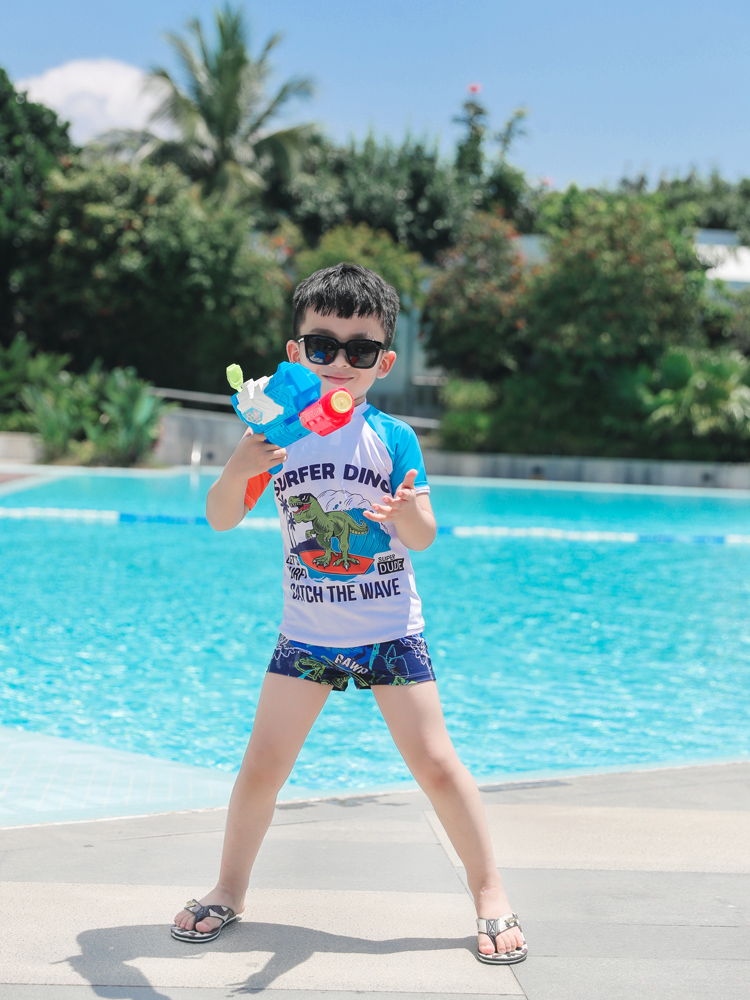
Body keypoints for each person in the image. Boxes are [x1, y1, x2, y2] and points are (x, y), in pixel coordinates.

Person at [171, 262, 527, 965]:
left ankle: (489, 890)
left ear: (383, 363)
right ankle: (229, 888)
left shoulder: (392, 438)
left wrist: (406, 512)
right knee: (262, 766)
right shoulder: (275, 435)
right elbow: (219, 517)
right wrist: (238, 465)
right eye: (322, 345)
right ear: (294, 353)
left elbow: (423, 536)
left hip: (389, 632)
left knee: (436, 764)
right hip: (307, 634)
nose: (340, 362)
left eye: (360, 350)